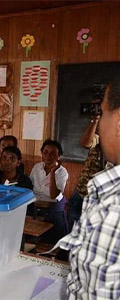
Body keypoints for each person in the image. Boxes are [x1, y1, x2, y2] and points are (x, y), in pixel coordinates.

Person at [60, 79, 120, 299]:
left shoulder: (113, 207)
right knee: (77, 238)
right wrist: (96, 119)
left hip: (98, 195)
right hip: (85, 193)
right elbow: (86, 142)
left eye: (103, 112)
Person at [66, 113, 104, 230]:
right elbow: (86, 142)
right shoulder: (100, 135)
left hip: (104, 196)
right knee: (72, 231)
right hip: (83, 191)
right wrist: (95, 120)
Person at [30, 139, 69, 244]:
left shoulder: (62, 172)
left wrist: (53, 172)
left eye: (53, 153)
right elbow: (29, 187)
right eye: (45, 152)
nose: (48, 156)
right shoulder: (36, 167)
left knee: (53, 234)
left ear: (58, 156)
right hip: (37, 203)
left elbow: (53, 195)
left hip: (54, 204)